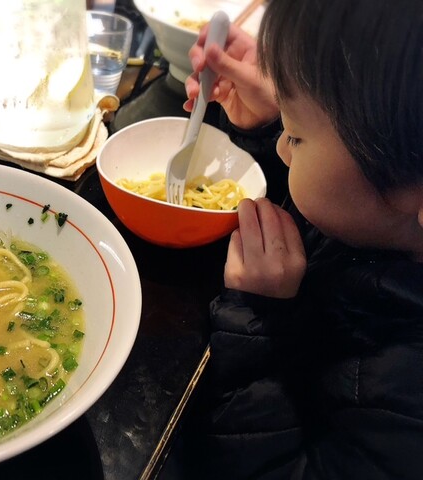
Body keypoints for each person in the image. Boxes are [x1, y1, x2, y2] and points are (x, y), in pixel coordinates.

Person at [177, 0, 423, 478]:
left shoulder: (404, 398)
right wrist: (267, 122)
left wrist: (261, 320)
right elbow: (337, 193)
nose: (282, 149)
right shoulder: (382, 223)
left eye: (295, 136)